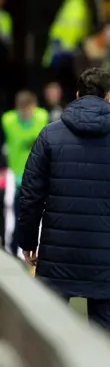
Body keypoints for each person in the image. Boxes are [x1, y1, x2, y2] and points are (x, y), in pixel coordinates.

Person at [16, 67, 110, 336]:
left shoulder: (49, 135)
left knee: (52, 333)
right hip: (107, 251)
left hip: (58, 251)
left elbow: (31, 194)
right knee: (102, 333)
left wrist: (28, 241)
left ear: (77, 96)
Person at [0, 91, 49, 256]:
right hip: (15, 177)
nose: (26, 114)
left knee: (38, 217)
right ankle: (11, 251)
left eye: (28, 111)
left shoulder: (42, 117)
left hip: (37, 177)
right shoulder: (8, 121)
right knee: (13, 216)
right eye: (23, 111)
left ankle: (36, 252)